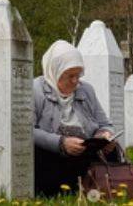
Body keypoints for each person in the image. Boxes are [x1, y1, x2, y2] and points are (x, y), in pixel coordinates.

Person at [32, 40, 117, 197]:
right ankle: (61, 191)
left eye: (78, 75)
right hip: (54, 153)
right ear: (54, 71)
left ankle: (98, 188)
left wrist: (104, 135)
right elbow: (27, 131)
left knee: (112, 150)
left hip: (85, 151)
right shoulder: (36, 90)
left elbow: (105, 123)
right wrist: (61, 143)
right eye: (69, 76)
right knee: (40, 154)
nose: (75, 81)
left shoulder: (86, 90)